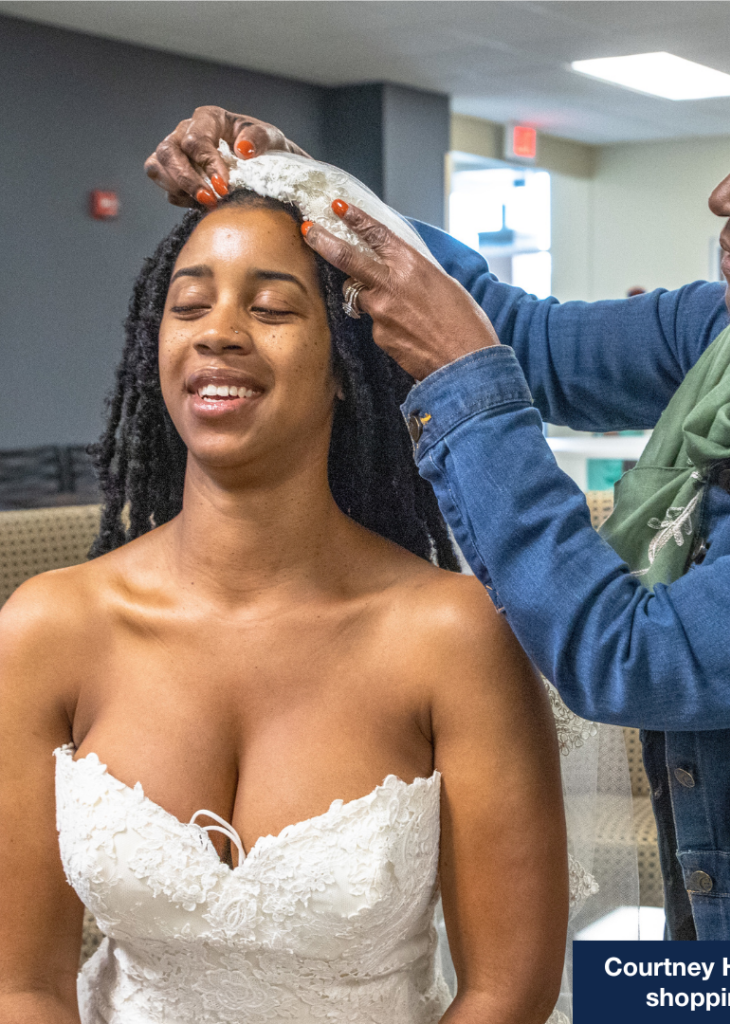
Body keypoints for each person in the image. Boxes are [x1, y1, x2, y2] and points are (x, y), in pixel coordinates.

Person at [147, 6, 730, 941]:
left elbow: (632, 656)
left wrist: (463, 383)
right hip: (726, 911)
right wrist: (302, 182)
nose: (725, 196)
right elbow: (530, 342)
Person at [0, 189, 571, 1023]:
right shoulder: (49, 628)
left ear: (346, 364)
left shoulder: (451, 635)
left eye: (270, 308)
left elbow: (506, 993)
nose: (218, 331)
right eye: (189, 304)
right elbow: (22, 985)